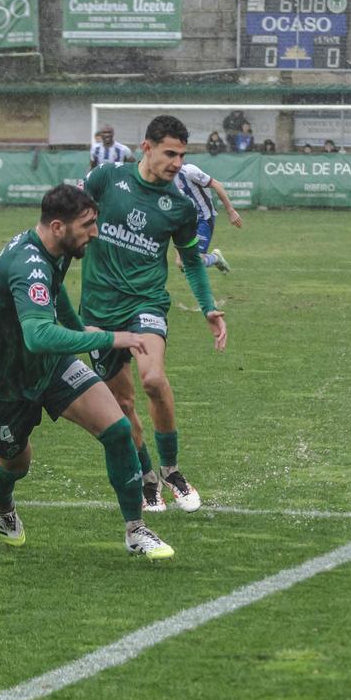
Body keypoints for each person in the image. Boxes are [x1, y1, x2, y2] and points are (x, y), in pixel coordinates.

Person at [0, 184, 174, 559]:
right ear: (59, 226)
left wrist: (80, 328)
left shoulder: (56, 249)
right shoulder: (27, 264)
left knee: (118, 430)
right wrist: (108, 338)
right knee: (15, 463)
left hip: (50, 366)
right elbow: (37, 335)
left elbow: (56, 291)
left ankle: (135, 529)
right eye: (88, 225)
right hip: (4, 383)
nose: (95, 233)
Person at [80, 114, 227, 514]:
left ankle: (172, 471)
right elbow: (71, 224)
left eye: (182, 155)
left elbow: (192, 261)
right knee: (122, 406)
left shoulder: (179, 207)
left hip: (145, 303)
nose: (177, 163)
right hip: (97, 308)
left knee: (154, 380)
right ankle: (147, 477)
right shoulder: (106, 180)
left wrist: (208, 308)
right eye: (170, 153)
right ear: (146, 147)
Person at [175, 161, 243, 273]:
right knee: (181, 263)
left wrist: (231, 211)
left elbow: (217, 185)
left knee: (196, 261)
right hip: (185, 220)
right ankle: (213, 259)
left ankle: (216, 258)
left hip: (203, 218)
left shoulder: (189, 171)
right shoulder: (164, 175)